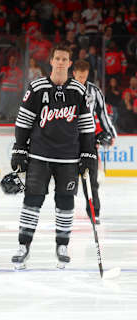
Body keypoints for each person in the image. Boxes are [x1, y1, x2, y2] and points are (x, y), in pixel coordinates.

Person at [10, 44, 96, 270]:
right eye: (57, 58)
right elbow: (24, 121)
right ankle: (23, 246)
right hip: (39, 155)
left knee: (65, 203)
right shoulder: (37, 87)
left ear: (69, 63)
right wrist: (19, 148)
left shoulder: (78, 91)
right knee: (32, 200)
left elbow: (87, 126)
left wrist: (88, 153)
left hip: (68, 157)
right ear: (51, 61)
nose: (60, 62)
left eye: (64, 59)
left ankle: (62, 246)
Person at [73, 60, 117, 225]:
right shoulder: (64, 89)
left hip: (88, 139)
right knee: (66, 178)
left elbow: (103, 114)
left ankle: (93, 211)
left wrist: (110, 134)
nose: (82, 80)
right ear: (74, 74)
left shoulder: (94, 91)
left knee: (91, 179)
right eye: (79, 77)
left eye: (84, 77)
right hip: (68, 140)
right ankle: (64, 212)